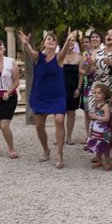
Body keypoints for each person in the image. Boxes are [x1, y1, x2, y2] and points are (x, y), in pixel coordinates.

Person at [18, 29, 77, 169]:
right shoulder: (38, 57)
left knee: (59, 120)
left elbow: (63, 51)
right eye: (48, 39)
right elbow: (29, 51)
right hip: (41, 95)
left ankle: (59, 154)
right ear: (44, 43)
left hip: (57, 95)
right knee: (39, 126)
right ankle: (46, 149)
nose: (50, 41)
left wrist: (69, 39)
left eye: (53, 39)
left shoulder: (59, 58)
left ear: (56, 43)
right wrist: (25, 44)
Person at [86, 83, 112, 170]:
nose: (96, 95)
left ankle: (108, 163)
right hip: (95, 129)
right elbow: (93, 115)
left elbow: (107, 118)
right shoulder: (95, 104)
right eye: (95, 93)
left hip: (103, 130)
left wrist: (95, 117)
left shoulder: (105, 106)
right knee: (97, 146)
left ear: (104, 95)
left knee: (104, 147)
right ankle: (99, 161)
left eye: (99, 93)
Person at [62, 39, 83, 144]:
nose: (71, 43)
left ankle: (69, 137)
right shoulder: (59, 56)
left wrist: (79, 88)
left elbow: (81, 75)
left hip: (73, 87)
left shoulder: (79, 57)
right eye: (69, 41)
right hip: (60, 87)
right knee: (60, 113)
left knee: (71, 113)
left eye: (73, 41)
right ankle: (60, 135)